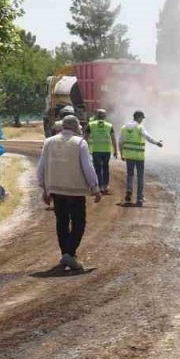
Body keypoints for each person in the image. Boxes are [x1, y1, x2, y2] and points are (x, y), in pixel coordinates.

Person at [36, 115, 102, 271]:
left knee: (62, 222)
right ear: (75, 127)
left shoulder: (48, 142)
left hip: (56, 191)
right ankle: (70, 254)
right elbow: (88, 168)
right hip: (75, 191)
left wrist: (44, 189)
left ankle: (66, 254)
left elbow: (41, 168)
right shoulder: (80, 143)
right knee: (79, 223)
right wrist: (95, 188)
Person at [119, 110, 163, 206]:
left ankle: (129, 189)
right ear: (138, 118)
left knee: (130, 175)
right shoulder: (139, 127)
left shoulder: (124, 127)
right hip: (139, 156)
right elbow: (148, 137)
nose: (142, 120)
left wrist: (121, 153)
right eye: (142, 118)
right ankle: (139, 197)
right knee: (140, 176)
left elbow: (120, 142)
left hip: (128, 156)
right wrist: (157, 143)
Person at [85, 109, 117, 193]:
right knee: (106, 167)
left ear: (96, 116)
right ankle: (106, 186)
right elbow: (113, 139)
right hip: (106, 150)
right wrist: (115, 151)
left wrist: (85, 149)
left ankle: (100, 186)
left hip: (96, 150)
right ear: (105, 116)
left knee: (98, 168)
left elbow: (86, 138)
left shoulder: (91, 124)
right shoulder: (109, 125)